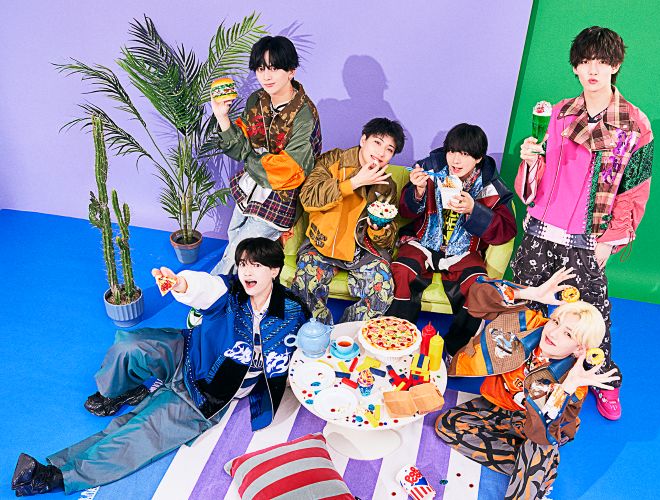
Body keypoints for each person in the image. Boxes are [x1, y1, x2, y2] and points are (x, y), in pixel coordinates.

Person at [10, 238, 309, 496]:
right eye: (243, 264)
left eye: (256, 265)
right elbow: (206, 288)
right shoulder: (231, 290)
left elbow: (309, 348)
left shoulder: (293, 312)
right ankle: (119, 391)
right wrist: (180, 283)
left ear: (274, 270)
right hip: (189, 350)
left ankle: (56, 476)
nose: (247, 271)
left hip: (206, 394)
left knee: (141, 431)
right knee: (131, 345)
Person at [513, 26, 653, 420]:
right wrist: (530, 161)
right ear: (575, 67)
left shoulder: (635, 125)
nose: (593, 70)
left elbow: (634, 188)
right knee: (529, 303)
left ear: (616, 65)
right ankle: (515, 368)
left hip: (589, 236)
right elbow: (542, 176)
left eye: (602, 62)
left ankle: (603, 382)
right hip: (543, 228)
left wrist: (610, 240)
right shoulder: (559, 112)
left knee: (592, 318)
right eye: (586, 61)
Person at [436, 268, 618, 500]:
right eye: (556, 321)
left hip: (539, 428)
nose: (554, 332)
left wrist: (565, 389)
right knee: (447, 425)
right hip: (503, 407)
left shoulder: (575, 382)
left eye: (568, 334)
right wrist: (528, 293)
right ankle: (535, 472)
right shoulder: (528, 323)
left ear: (580, 349)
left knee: (538, 448)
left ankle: (534, 470)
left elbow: (541, 432)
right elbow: (478, 295)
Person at [385, 123, 516, 354]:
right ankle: (396, 337)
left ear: (478, 158)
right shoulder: (430, 170)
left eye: (465, 154)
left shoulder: (490, 186)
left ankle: (457, 350)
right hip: (423, 242)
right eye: (452, 151)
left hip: (464, 251)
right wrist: (417, 191)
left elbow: (506, 231)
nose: (456, 159)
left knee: (477, 286)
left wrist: (474, 210)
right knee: (402, 269)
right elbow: (404, 211)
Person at [210, 35, 322, 275]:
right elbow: (239, 147)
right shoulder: (257, 100)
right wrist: (222, 117)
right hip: (249, 188)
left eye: (274, 68)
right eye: (261, 69)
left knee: (236, 254)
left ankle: (203, 295)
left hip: (281, 198)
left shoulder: (305, 114)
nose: (266, 76)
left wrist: (249, 158)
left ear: (291, 71)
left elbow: (290, 170)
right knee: (233, 241)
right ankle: (237, 294)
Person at [291, 117, 405, 324]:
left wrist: (377, 229)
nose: (381, 153)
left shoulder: (387, 185)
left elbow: (388, 237)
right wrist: (354, 183)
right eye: (377, 142)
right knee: (303, 287)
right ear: (363, 140)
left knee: (383, 291)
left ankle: (346, 333)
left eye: (389, 149)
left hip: (361, 251)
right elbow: (308, 198)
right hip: (322, 245)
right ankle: (321, 332)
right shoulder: (333, 160)